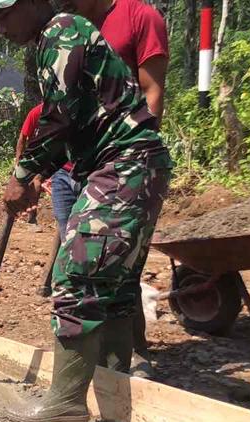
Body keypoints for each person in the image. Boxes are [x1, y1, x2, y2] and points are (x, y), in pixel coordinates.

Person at [0, 0, 172, 422]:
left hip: (124, 163)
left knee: (77, 273)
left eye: (4, 14)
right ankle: (114, 387)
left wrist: (23, 175)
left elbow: (58, 116)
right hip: (126, 165)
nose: (0, 27)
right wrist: (36, 175)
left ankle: (66, 401)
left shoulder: (63, 30)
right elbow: (70, 121)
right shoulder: (54, 40)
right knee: (112, 284)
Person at [62, 0, 170, 377]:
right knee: (86, 264)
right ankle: (92, 359)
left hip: (125, 165)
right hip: (86, 165)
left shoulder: (140, 17)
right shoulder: (70, 26)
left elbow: (153, 91)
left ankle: (133, 355)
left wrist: (130, 157)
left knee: (122, 266)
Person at [13, 104, 44, 230]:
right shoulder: (35, 112)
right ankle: (31, 218)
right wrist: (18, 161)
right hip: (35, 156)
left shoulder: (62, 111)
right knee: (36, 181)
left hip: (55, 155)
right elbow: (23, 137)